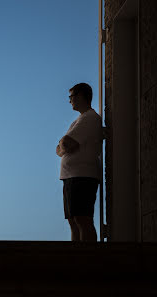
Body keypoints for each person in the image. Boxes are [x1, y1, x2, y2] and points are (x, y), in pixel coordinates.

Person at [56, 83, 102, 242]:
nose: (70, 101)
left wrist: (63, 144)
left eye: (71, 96)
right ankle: (75, 258)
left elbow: (66, 143)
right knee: (73, 221)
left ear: (81, 96)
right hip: (72, 177)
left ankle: (87, 259)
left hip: (82, 176)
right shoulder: (78, 120)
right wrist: (63, 145)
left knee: (82, 219)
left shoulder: (90, 117)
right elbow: (59, 148)